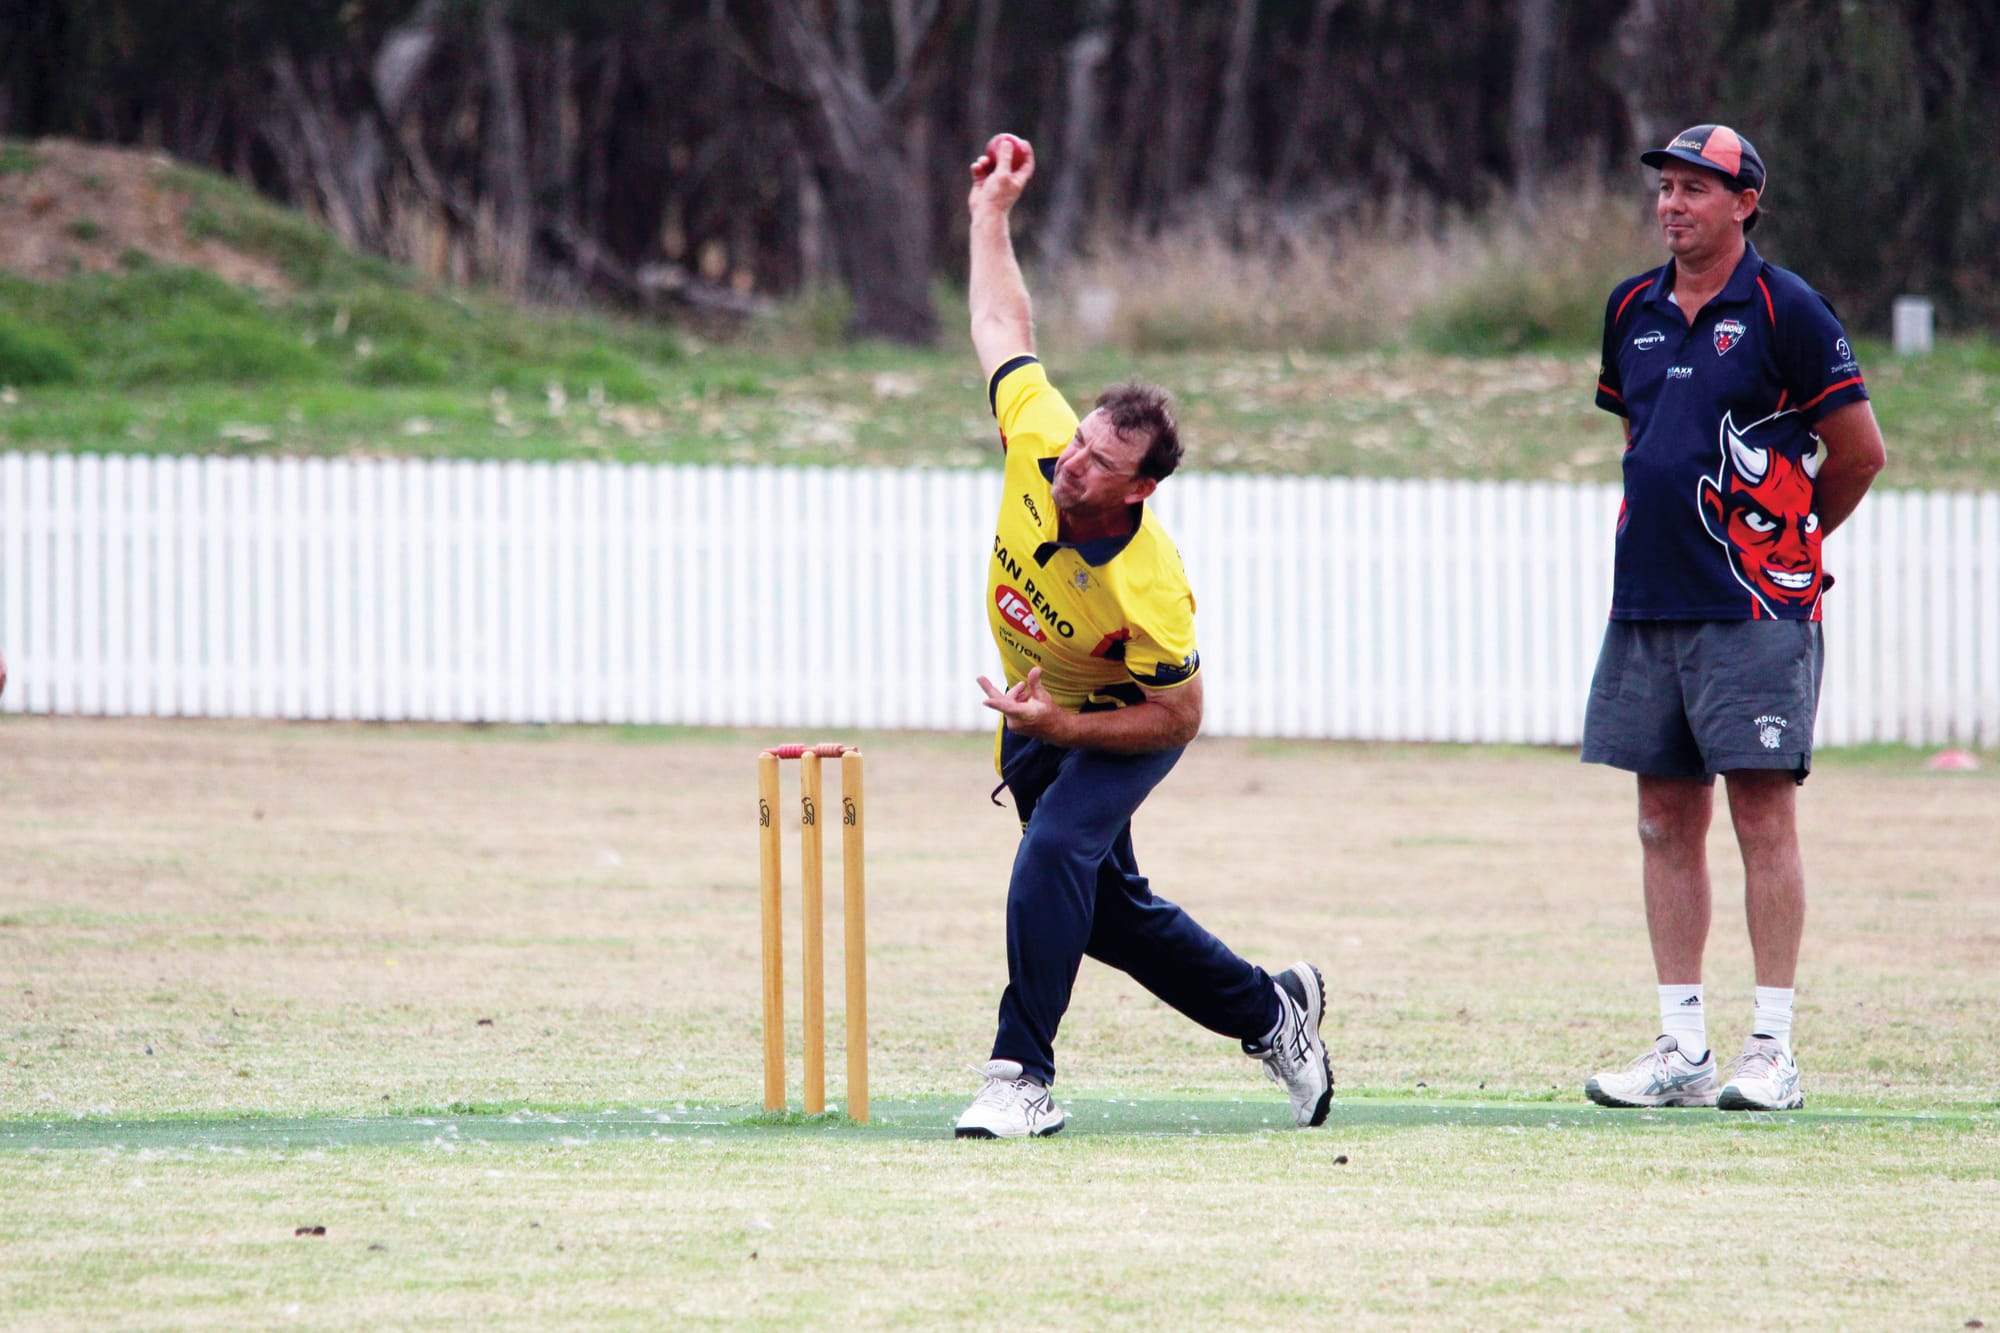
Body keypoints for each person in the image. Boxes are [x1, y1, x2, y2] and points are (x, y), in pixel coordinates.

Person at [953, 132, 1331, 1139]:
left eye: (1095, 462)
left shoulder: (1149, 586)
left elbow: (1180, 715)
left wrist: (1068, 732)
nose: (1069, 467)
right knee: (1106, 914)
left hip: (1119, 725)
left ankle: (1018, 1076)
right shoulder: (1039, 434)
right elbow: (1001, 320)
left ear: (1140, 487)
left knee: (1051, 857)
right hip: (1037, 713)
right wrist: (991, 213)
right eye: (1076, 443)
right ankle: (1270, 1010)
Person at [1582, 124, 1886, 1112]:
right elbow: (1645, 443)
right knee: (1661, 819)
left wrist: (1788, 546)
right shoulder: (1627, 308)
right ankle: (1680, 1048)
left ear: (1742, 202)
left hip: (1753, 608)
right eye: (1664, 190)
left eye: (1693, 191)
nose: (1672, 206)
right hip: (1648, 601)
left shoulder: (1785, 309)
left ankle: (1771, 1048)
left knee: (1761, 812)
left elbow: (1858, 453)